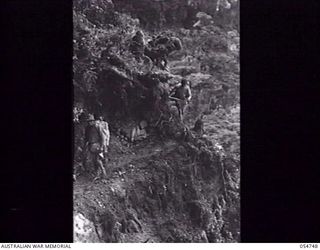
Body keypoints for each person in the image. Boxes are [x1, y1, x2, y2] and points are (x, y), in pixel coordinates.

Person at [84, 114, 110, 181]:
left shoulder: (97, 126)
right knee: (93, 161)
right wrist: (86, 145)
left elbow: (103, 137)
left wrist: (102, 146)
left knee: (98, 160)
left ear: (93, 121)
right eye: (89, 121)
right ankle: (97, 174)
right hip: (91, 145)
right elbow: (86, 138)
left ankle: (103, 172)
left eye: (91, 121)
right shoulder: (88, 128)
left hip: (98, 145)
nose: (90, 123)